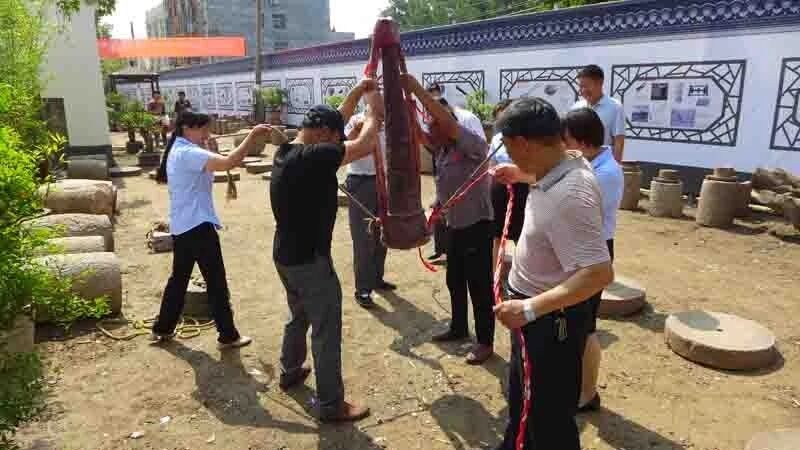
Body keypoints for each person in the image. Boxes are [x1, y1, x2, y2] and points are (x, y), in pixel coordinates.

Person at [492, 97, 614, 450]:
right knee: (523, 401)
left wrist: (529, 309)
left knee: (549, 420)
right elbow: (553, 169)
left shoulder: (570, 196)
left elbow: (599, 273)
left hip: (549, 323)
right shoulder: (565, 160)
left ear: (524, 144)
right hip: (536, 317)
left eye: (509, 148)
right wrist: (521, 174)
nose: (508, 155)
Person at [270, 78, 384, 422]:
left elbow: (336, 120)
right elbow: (364, 144)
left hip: (286, 255)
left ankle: (290, 369)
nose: (338, 143)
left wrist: (357, 91)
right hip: (310, 261)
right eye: (335, 138)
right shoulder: (317, 156)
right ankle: (331, 404)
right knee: (325, 328)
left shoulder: (287, 151)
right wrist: (374, 112)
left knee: (299, 314)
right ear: (323, 135)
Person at [151, 112, 271, 349]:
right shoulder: (188, 153)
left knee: (179, 279)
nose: (207, 134)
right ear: (187, 128)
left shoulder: (179, 148)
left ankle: (163, 328)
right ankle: (228, 335)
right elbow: (229, 163)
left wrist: (209, 148)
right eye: (204, 129)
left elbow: (211, 167)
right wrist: (252, 135)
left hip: (183, 225)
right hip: (197, 226)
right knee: (215, 281)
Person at [404, 73, 495, 365]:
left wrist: (416, 89)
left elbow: (444, 122)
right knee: (454, 279)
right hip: (454, 225)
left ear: (448, 124)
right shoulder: (442, 150)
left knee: (479, 286)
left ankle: (485, 342)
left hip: (477, 225)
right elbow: (423, 138)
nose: (430, 129)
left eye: (435, 123)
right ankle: (458, 327)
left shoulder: (472, 145)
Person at [562, 107, 623, 412]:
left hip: (593, 252)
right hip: (580, 249)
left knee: (585, 328)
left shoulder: (605, 173)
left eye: (567, 141)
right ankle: (575, 385)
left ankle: (587, 395)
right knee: (574, 325)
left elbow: (582, 216)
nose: (563, 147)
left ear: (584, 142)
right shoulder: (586, 162)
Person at [343, 111, 396, 308]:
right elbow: (343, 146)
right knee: (363, 237)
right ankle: (363, 289)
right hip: (361, 181)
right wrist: (358, 130)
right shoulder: (356, 120)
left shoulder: (390, 120)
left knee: (382, 233)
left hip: (384, 180)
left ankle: (376, 278)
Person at [489, 99, 529, 266]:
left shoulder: (527, 138)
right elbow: (491, 164)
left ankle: (524, 272)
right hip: (500, 190)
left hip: (523, 189)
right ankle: (495, 273)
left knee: (522, 234)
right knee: (497, 234)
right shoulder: (497, 139)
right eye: (499, 119)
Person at [571, 65, 626, 162]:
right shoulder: (576, 107)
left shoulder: (615, 107)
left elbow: (619, 142)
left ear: (600, 83)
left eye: (586, 86)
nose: (583, 90)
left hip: (601, 164)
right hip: (579, 164)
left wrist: (615, 166)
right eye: (581, 86)